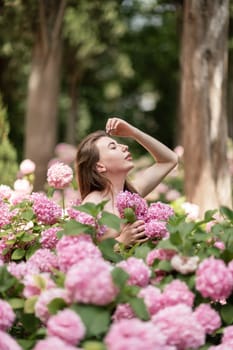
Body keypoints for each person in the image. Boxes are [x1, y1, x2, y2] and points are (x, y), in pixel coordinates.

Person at [75, 117, 178, 246]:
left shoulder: (131, 194)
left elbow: (170, 160)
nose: (124, 147)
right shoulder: (92, 203)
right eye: (113, 147)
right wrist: (121, 243)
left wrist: (133, 133)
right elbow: (81, 252)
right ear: (99, 166)